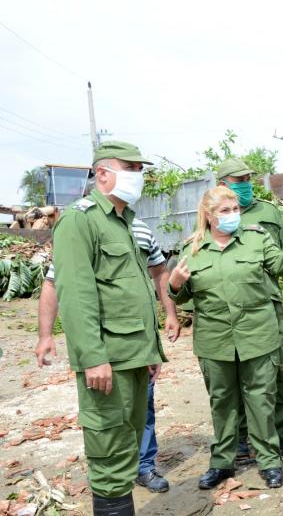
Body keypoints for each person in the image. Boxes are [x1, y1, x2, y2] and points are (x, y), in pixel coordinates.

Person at [168, 186, 283, 490]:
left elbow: (282, 265)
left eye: (235, 209)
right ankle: (222, 462)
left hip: (258, 334)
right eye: (225, 211)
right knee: (222, 402)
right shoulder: (193, 249)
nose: (233, 215)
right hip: (215, 340)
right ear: (209, 216)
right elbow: (182, 297)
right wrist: (174, 284)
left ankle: (269, 460)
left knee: (261, 400)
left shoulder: (256, 238)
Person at [51, 140, 167, 516]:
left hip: (134, 356)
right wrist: (93, 358)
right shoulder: (79, 220)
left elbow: (134, 293)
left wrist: (151, 352)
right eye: (130, 168)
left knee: (129, 444)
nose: (139, 176)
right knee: (109, 453)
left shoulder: (127, 221)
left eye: (140, 169)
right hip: (108, 361)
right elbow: (76, 296)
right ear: (102, 173)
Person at [36, 217, 180, 494]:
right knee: (106, 415)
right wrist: (45, 334)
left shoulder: (140, 228)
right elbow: (54, 283)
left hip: (138, 341)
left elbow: (160, 271)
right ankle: (109, 472)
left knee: (143, 407)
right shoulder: (82, 227)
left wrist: (170, 314)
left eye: (138, 169)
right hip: (103, 342)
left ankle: (143, 466)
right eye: (130, 169)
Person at [216, 158, 283, 459]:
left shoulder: (267, 212)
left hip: (266, 305)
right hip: (228, 312)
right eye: (238, 180)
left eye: (248, 179)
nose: (245, 185)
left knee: (275, 371)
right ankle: (241, 436)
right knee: (235, 374)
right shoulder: (214, 215)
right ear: (222, 185)